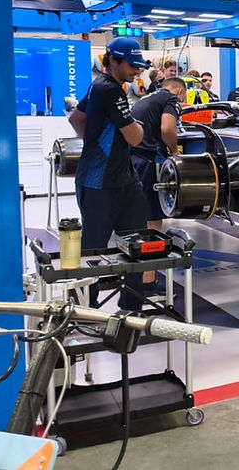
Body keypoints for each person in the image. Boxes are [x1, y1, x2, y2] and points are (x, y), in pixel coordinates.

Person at [67, 37, 148, 311]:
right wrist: (136, 126)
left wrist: (96, 142)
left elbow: (76, 118)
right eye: (132, 65)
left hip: (124, 180)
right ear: (113, 60)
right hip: (99, 183)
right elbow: (135, 137)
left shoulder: (98, 85)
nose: (137, 71)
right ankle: (87, 310)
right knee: (94, 251)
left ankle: (125, 309)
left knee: (134, 245)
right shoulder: (110, 90)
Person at [130, 77, 186, 294]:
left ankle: (134, 278)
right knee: (153, 222)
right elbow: (167, 128)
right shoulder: (171, 99)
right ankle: (147, 283)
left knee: (136, 220)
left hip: (132, 160)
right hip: (149, 162)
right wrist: (174, 150)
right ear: (179, 91)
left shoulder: (146, 98)